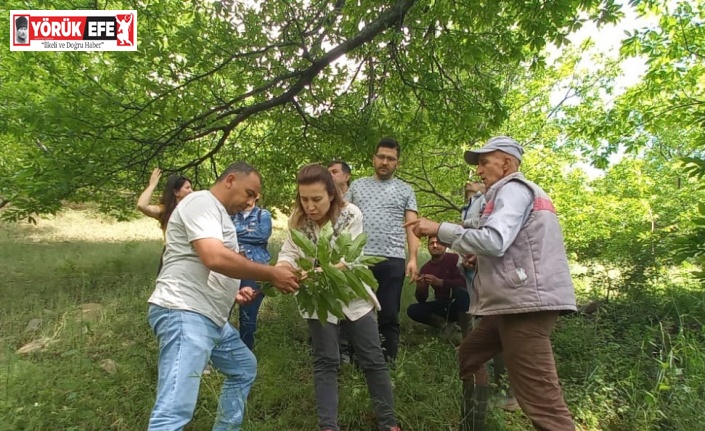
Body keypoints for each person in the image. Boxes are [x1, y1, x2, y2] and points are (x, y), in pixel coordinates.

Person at [406, 136, 577, 431]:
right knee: (470, 356)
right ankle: (472, 425)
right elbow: (507, 245)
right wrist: (477, 259)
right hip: (509, 305)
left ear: (507, 163)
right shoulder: (504, 196)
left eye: (485, 162)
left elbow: (495, 240)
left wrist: (438, 229)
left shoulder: (513, 190)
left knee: (542, 403)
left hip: (525, 306)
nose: (479, 170)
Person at [146, 162, 299, 431]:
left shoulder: (218, 213)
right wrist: (271, 273)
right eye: (249, 193)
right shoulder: (200, 202)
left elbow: (211, 262)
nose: (250, 201)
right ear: (230, 180)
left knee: (243, 368)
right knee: (173, 411)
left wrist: (233, 289)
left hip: (210, 317)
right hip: (185, 311)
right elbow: (214, 257)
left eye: (255, 197)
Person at [276, 164, 401, 431]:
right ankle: (328, 426)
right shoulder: (298, 221)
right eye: (304, 199)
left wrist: (312, 271)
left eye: (316, 199)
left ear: (331, 194)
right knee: (326, 360)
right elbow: (288, 253)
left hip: (352, 294)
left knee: (372, 359)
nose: (309, 205)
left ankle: (389, 424)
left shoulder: (350, 214)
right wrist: (282, 270)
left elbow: (349, 259)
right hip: (318, 300)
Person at [346, 138, 419, 363]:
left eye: (391, 158)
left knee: (388, 312)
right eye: (381, 157)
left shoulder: (406, 190)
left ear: (398, 162)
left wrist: (413, 258)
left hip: (392, 259)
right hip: (359, 258)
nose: (385, 162)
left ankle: (388, 362)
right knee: (356, 311)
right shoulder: (357, 186)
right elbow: (343, 219)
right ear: (374, 158)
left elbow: (412, 226)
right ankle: (358, 359)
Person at [230, 197, 272, 350]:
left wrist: (235, 233)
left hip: (255, 268)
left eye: (251, 193)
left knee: (248, 315)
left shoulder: (263, 215)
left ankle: (246, 352)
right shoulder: (231, 214)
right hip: (231, 267)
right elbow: (223, 235)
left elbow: (262, 235)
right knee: (221, 310)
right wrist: (248, 232)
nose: (246, 197)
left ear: (257, 195)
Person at [406, 236, 468, 335]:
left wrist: (440, 282)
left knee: (460, 292)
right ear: (427, 247)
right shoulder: (426, 268)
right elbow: (422, 299)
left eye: (438, 243)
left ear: (445, 246)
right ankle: (445, 325)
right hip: (443, 304)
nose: (435, 246)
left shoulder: (455, 259)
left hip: (460, 302)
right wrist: (420, 287)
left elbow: (464, 283)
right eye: (431, 243)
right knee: (413, 310)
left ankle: (466, 329)